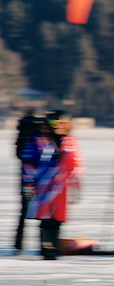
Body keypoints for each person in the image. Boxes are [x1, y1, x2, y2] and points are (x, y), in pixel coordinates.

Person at [21, 110, 84, 260]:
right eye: (57, 123)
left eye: (64, 123)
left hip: (62, 187)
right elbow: (28, 162)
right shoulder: (37, 139)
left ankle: (54, 247)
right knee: (46, 219)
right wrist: (28, 183)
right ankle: (46, 247)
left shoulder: (70, 141)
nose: (60, 127)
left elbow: (77, 164)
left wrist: (77, 185)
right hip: (44, 186)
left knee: (58, 219)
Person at [14, 109, 42, 253]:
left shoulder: (23, 134)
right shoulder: (35, 137)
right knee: (45, 212)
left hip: (26, 178)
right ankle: (46, 244)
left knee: (23, 212)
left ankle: (18, 244)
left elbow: (20, 156)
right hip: (38, 178)